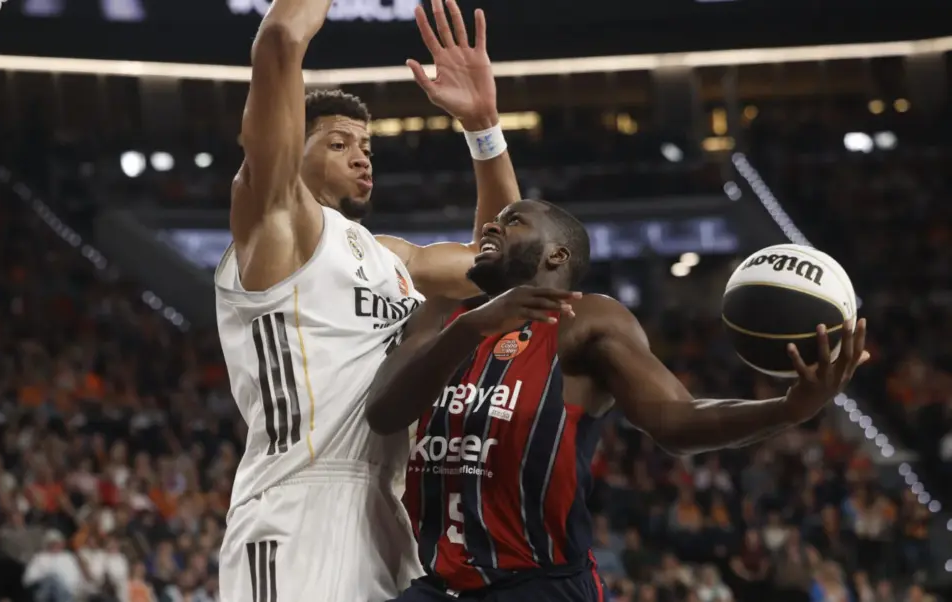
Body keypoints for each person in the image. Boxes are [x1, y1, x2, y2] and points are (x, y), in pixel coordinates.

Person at [365, 199, 870, 601]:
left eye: (512, 222)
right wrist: (474, 325)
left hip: (538, 585)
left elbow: (677, 420)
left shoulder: (587, 320)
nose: (490, 229)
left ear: (555, 256)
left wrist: (787, 409)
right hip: (439, 584)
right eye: (492, 222)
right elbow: (384, 412)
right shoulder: (446, 320)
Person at [214, 0, 521, 600]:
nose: (360, 155)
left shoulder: (393, 258)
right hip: (297, 507)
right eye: (336, 143)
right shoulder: (275, 228)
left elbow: (503, 266)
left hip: (391, 513)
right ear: (291, 150)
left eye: (366, 147)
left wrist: (483, 127)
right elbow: (279, 39)